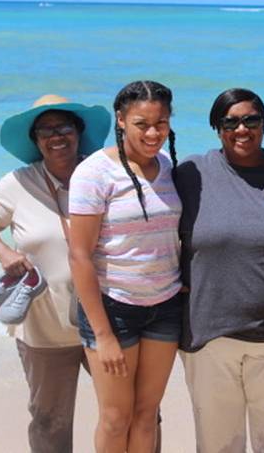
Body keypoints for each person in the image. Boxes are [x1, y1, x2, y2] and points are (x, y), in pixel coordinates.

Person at [0, 94, 110, 452]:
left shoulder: (104, 173)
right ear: (35, 140)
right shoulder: (19, 182)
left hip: (109, 320)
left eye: (64, 127)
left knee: (131, 414)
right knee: (50, 420)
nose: (56, 135)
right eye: (46, 130)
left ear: (79, 132)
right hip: (44, 326)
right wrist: (3, 253)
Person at [174, 88, 264, 453]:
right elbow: (155, 231)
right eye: (230, 122)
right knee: (218, 445)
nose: (242, 129)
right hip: (209, 339)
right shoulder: (192, 174)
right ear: (216, 128)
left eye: (251, 120)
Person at [68, 80, 182, 453]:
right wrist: (102, 335)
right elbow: (79, 256)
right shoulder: (94, 172)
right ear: (120, 120)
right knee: (116, 417)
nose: (153, 133)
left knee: (147, 414)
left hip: (165, 307)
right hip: (113, 308)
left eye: (161, 123)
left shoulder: (168, 166)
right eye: (141, 124)